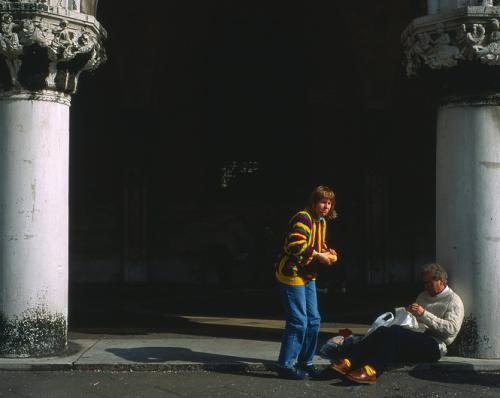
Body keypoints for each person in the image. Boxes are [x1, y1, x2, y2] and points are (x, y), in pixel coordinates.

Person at [330, 262, 464, 385]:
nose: (426, 286)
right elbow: (415, 320)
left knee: (395, 332)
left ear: (441, 280)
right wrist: (407, 312)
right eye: (424, 283)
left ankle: (373, 371)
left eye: (429, 283)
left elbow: (451, 329)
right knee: (384, 331)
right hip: (418, 335)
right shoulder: (423, 295)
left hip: (435, 344)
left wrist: (424, 314)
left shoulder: (453, 300)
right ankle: (349, 360)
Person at [275, 185, 338, 379]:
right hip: (291, 272)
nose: (326, 206)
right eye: (322, 202)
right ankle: (285, 365)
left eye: (329, 203)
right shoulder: (303, 218)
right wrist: (320, 256)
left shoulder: (322, 222)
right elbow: (295, 244)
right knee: (298, 321)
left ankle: (305, 361)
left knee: (314, 320)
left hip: (308, 274)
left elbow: (317, 245)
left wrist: (328, 251)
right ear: (314, 202)